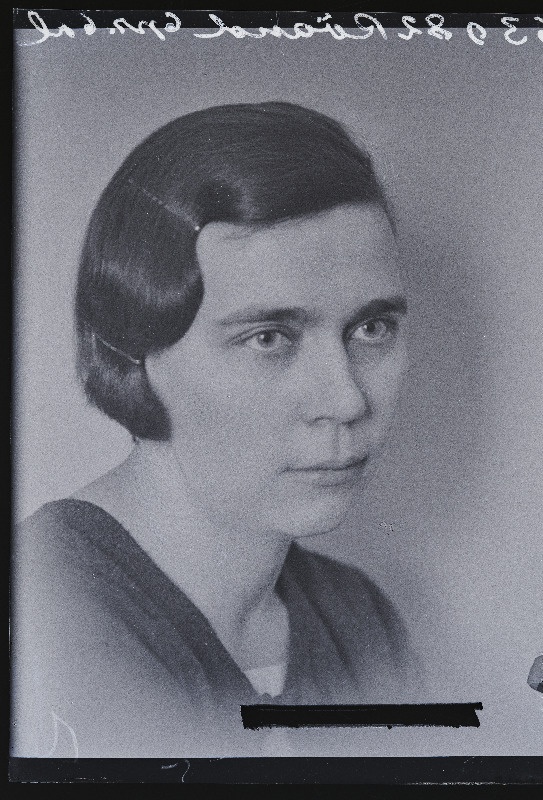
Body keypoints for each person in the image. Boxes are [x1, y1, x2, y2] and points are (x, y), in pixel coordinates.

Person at [12, 101, 421, 758]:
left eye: (372, 329)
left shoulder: (362, 624)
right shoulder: (43, 615)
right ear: (137, 351)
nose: (346, 399)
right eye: (269, 338)